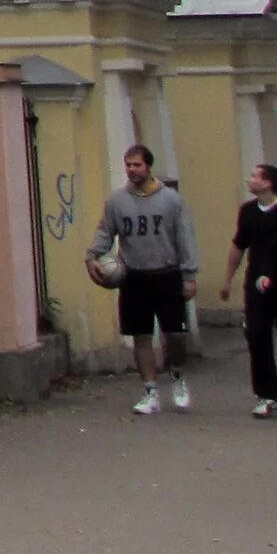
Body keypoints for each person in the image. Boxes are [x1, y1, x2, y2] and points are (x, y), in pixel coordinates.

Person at [87, 142, 199, 415]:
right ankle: (150, 391)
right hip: (134, 276)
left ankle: (177, 376)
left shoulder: (171, 200)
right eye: (128, 165)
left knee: (175, 334)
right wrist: (91, 256)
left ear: (149, 167)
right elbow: (106, 231)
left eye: (137, 165)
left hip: (168, 273)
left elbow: (185, 237)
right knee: (141, 336)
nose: (131, 170)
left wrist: (189, 274)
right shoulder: (117, 201)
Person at [219, 162, 277, 417]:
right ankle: (266, 394)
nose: (249, 180)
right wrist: (227, 279)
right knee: (258, 337)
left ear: (267, 183)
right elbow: (239, 246)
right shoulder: (248, 212)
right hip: (256, 285)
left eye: (253, 176)